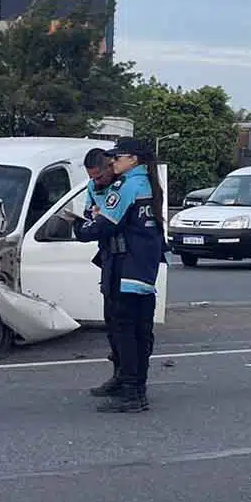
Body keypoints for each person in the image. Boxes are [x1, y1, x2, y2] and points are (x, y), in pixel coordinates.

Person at [71, 136, 165, 413]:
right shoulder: (144, 183)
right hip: (132, 264)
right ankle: (126, 381)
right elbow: (97, 212)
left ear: (133, 159)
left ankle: (133, 392)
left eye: (118, 157)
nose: (114, 161)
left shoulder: (128, 185)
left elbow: (101, 224)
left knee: (128, 330)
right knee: (126, 328)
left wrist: (78, 228)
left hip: (128, 265)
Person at [75, 148, 122, 396]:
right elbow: (88, 214)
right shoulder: (94, 187)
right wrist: (90, 219)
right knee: (112, 323)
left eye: (99, 177)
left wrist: (96, 221)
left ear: (110, 168)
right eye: (91, 178)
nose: (95, 182)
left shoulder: (123, 187)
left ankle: (131, 382)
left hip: (126, 258)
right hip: (108, 257)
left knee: (128, 326)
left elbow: (104, 223)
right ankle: (118, 374)